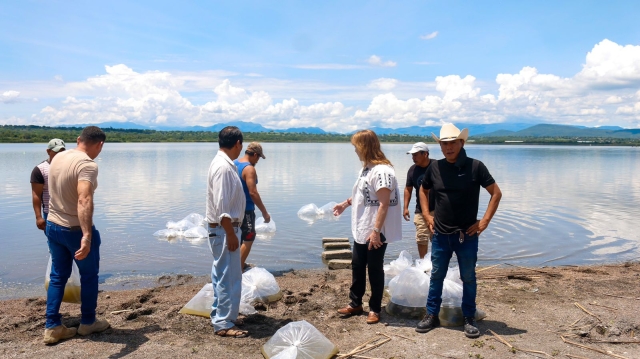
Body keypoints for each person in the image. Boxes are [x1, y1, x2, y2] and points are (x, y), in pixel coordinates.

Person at [415, 123, 502, 338]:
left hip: (467, 235)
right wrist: (427, 215)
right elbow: (423, 190)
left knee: (469, 277)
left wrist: (485, 221)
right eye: (444, 144)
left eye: (452, 143)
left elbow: (496, 193)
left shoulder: (476, 167)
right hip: (441, 235)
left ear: (461, 143)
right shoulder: (435, 168)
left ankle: (469, 318)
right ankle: (431, 314)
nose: (448, 147)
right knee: (436, 276)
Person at [44, 126, 110, 344]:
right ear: (100, 144)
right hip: (73, 229)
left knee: (57, 276)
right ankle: (88, 322)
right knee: (89, 276)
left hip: (52, 225)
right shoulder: (88, 165)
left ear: (78, 139)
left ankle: (52, 326)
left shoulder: (58, 157)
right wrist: (87, 235)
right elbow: (84, 200)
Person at [333, 130, 402, 325]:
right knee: (357, 265)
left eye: (356, 146)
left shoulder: (382, 171)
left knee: (374, 268)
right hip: (363, 228)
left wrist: (376, 232)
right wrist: (345, 204)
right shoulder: (367, 169)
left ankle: (374, 308)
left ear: (364, 146)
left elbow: (384, 203)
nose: (354, 150)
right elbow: (363, 195)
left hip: (376, 231)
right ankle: (355, 303)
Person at [206, 126, 248, 338]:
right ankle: (223, 323)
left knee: (223, 274)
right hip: (225, 230)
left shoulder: (224, 164)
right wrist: (231, 234)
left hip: (225, 229)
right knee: (228, 277)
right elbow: (222, 205)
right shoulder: (223, 167)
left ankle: (222, 315)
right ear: (238, 144)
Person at [234, 142, 271, 271]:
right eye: (259, 157)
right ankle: (237, 269)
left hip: (234, 209)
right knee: (248, 239)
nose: (258, 160)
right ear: (255, 154)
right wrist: (265, 213)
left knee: (237, 239)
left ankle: (238, 264)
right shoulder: (249, 169)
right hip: (246, 210)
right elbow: (253, 192)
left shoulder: (234, 164)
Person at [403, 142, 436, 259]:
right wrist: (405, 207)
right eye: (412, 155)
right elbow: (408, 189)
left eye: (416, 155)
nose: (413, 158)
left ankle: (437, 263)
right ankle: (423, 263)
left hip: (438, 210)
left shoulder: (437, 166)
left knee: (437, 237)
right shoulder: (412, 170)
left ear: (425, 154)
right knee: (421, 237)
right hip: (420, 210)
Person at [31, 139, 66, 233]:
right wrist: (38, 217)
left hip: (69, 213)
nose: (60, 154)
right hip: (50, 213)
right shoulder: (40, 169)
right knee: (53, 242)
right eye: (56, 152)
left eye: (62, 152)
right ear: (48, 151)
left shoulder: (70, 167)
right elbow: (36, 195)